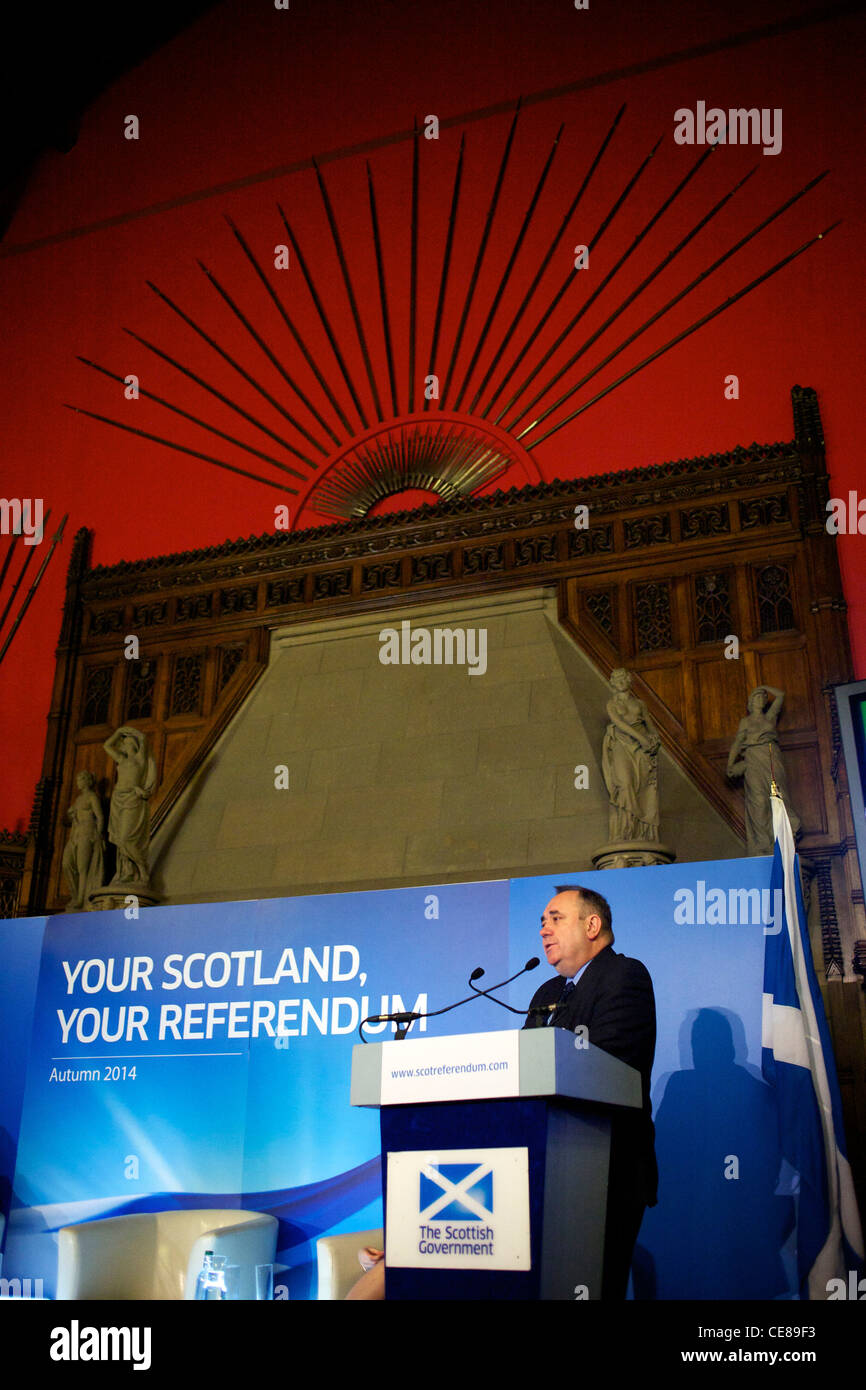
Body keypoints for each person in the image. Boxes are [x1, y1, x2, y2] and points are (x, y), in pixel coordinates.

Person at [523, 884, 657, 1299]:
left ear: (593, 925)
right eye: (542, 922)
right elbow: (525, 1070)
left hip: (603, 1167)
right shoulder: (546, 993)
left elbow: (612, 1064)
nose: (544, 930)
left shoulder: (624, 975)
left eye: (556, 919)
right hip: (543, 1168)